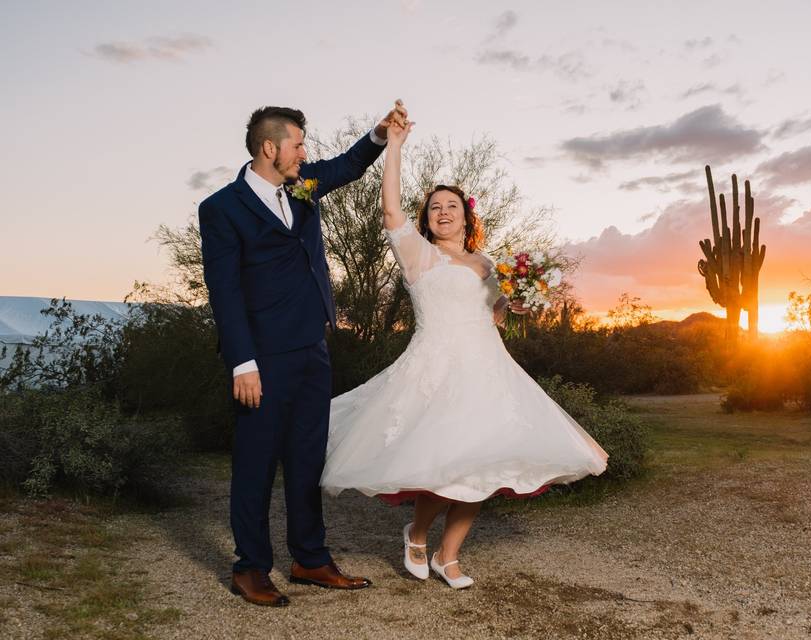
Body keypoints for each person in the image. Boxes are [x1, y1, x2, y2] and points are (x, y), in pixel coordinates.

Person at [321, 110, 608, 589]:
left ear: (465, 214)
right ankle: (416, 533)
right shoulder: (419, 254)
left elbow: (497, 313)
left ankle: (448, 555)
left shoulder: (486, 261)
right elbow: (391, 209)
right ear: (427, 218)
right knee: (443, 462)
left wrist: (518, 305)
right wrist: (394, 146)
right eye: (435, 206)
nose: (443, 211)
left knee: (486, 465)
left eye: (452, 205)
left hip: (490, 372)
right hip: (438, 369)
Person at [199, 101, 408, 607]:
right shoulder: (221, 209)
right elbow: (224, 292)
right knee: (255, 465)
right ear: (270, 148)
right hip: (262, 360)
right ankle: (250, 568)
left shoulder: (301, 185)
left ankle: (309, 558)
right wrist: (242, 363)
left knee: (306, 460)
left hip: (312, 349)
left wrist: (379, 135)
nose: (304, 154)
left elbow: (346, 166)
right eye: (297, 145)